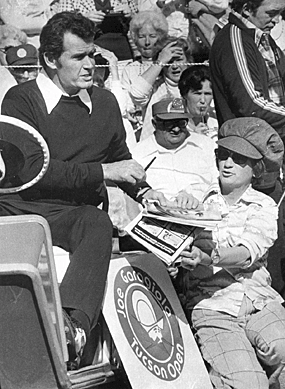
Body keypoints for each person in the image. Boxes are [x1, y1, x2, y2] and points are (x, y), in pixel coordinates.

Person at [0, 11, 166, 370]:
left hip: (74, 213)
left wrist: (148, 192)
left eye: (92, 54)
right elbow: (29, 171)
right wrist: (104, 172)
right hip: (23, 208)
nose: (90, 64)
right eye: (79, 57)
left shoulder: (105, 103)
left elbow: (121, 159)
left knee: (96, 222)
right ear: (49, 59)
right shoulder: (19, 100)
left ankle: (71, 327)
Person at [170, 117, 285, 389]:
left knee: (282, 346)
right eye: (223, 155)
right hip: (212, 304)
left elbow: (247, 253)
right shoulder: (195, 195)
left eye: (239, 157)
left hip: (258, 298)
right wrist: (178, 211)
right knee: (248, 383)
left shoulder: (265, 205)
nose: (228, 163)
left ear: (256, 168)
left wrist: (209, 258)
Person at [132, 97, 218, 203]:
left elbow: (218, 183)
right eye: (169, 124)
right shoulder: (138, 154)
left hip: (202, 212)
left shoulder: (206, 146)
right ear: (154, 124)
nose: (176, 129)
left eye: (181, 123)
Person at [130, 36, 193, 141]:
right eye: (169, 61)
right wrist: (161, 60)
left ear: (188, 60)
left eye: (178, 60)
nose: (174, 66)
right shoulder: (154, 86)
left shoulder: (196, 86)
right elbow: (137, 95)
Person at [121, 10, 169, 138]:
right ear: (135, 40)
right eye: (142, 37)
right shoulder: (130, 69)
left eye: (152, 36)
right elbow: (127, 102)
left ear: (161, 37)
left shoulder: (169, 66)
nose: (147, 42)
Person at [56, 0, 138, 62]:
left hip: (123, 53)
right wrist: (83, 19)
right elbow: (60, 26)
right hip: (88, 54)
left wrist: (131, 15)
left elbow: (142, 26)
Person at [178, 64, 218, 140]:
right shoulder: (174, 121)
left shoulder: (215, 118)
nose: (203, 100)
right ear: (185, 95)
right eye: (197, 93)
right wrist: (195, 138)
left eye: (207, 94)